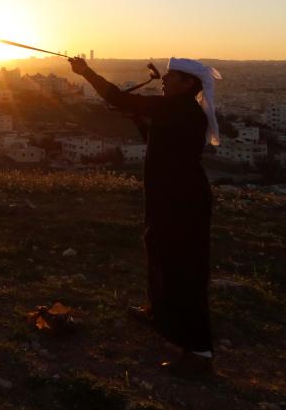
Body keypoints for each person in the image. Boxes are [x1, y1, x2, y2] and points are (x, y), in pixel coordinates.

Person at [69, 56, 222, 376]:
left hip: (182, 200)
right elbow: (156, 140)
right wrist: (137, 117)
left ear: (188, 84)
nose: (164, 80)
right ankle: (157, 311)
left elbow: (117, 97)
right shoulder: (180, 111)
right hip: (170, 195)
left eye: (171, 77)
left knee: (184, 269)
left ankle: (199, 351)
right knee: (157, 248)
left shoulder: (177, 108)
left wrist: (86, 72)